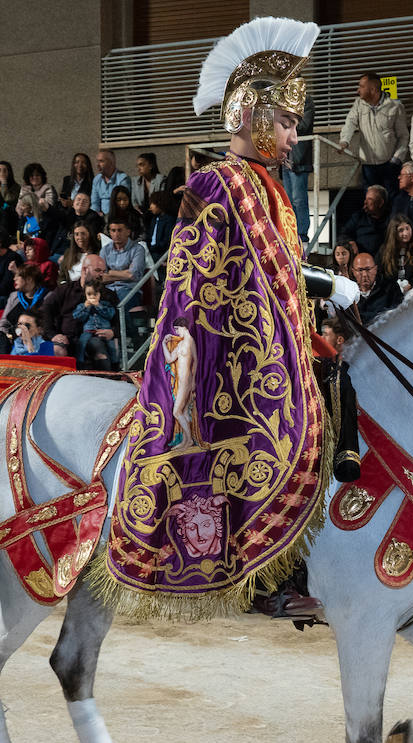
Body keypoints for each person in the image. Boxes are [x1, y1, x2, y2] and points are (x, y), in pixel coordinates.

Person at [112, 17, 355, 619]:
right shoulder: (217, 181)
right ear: (252, 116)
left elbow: (274, 266)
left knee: (337, 375)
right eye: (287, 122)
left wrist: (318, 288)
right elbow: (216, 274)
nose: (295, 136)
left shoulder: (264, 184)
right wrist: (325, 283)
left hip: (270, 333)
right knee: (286, 414)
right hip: (226, 343)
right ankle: (266, 573)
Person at [340, 71, 409, 195]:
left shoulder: (394, 106)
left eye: (361, 87)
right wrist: (344, 141)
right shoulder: (358, 104)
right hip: (368, 166)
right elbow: (350, 123)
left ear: (372, 89)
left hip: (390, 165)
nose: (358, 90)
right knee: (371, 200)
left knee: (391, 199)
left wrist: (396, 159)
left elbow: (403, 136)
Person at [282, 97, 315, 243]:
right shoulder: (283, 100)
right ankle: (291, 232)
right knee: (288, 200)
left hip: (299, 157)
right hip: (285, 158)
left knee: (298, 199)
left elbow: (302, 126)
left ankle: (301, 233)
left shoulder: (306, 101)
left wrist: (284, 120)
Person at [100, 216, 148, 310]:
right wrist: (125, 273)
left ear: (128, 232)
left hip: (129, 290)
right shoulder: (105, 250)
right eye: (113, 230)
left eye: (120, 230)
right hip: (108, 289)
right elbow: (101, 277)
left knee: (121, 304)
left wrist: (110, 272)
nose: (116, 234)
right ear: (110, 232)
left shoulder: (138, 249)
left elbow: (132, 275)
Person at [0, 264, 48, 349]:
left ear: (29, 279)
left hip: (37, 340)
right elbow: (3, 324)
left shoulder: (47, 297)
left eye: (17, 276)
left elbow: (48, 325)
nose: (14, 279)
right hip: (12, 339)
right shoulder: (14, 296)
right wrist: (9, 337)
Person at [74, 279, 119, 370]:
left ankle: (115, 364)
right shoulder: (82, 306)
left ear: (99, 294)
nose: (92, 297)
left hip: (104, 330)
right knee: (81, 344)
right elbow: (77, 317)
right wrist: (86, 307)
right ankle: (80, 363)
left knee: (113, 347)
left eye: (95, 294)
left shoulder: (105, 304)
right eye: (89, 294)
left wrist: (98, 306)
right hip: (88, 331)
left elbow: (110, 315)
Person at [353, 250, 403, 324]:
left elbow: (398, 314)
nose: (364, 274)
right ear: (353, 272)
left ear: (375, 269)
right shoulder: (348, 293)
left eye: (368, 269)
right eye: (360, 270)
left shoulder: (390, 288)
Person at [340, 185, 389, 255]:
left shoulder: (390, 217)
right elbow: (343, 234)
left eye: (370, 199)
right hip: (361, 257)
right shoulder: (358, 216)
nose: (365, 202)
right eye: (365, 199)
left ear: (380, 203)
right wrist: (350, 241)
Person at [378, 216, 413, 290]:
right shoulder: (384, 251)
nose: (406, 233)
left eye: (407, 228)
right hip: (390, 291)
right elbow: (380, 275)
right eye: (401, 230)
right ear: (394, 233)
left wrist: (411, 285)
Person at [90, 149, 132, 216]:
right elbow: (94, 203)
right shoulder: (97, 179)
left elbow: (122, 203)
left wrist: (108, 217)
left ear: (111, 163)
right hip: (100, 217)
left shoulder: (123, 179)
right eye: (97, 161)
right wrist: (95, 215)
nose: (97, 165)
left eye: (101, 161)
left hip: (117, 216)